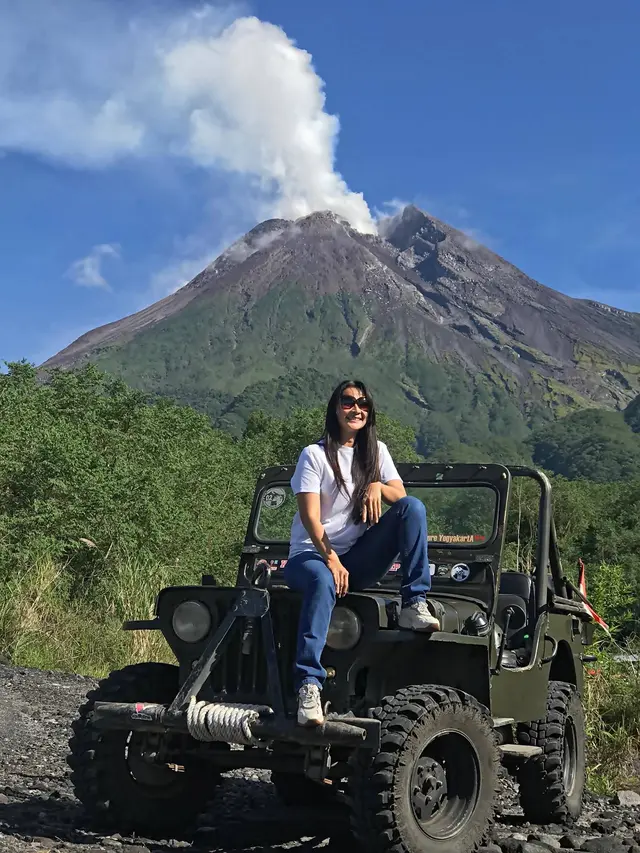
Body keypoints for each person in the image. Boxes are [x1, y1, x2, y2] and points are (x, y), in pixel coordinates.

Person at [284, 379, 439, 727]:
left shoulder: (376, 451)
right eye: (348, 402)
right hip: (310, 556)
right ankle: (309, 685)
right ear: (335, 408)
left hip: (356, 558)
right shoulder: (314, 454)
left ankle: (414, 601)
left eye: (364, 403)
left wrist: (377, 485)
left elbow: (402, 497)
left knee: (412, 508)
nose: (356, 409)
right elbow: (310, 517)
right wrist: (331, 558)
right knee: (322, 579)